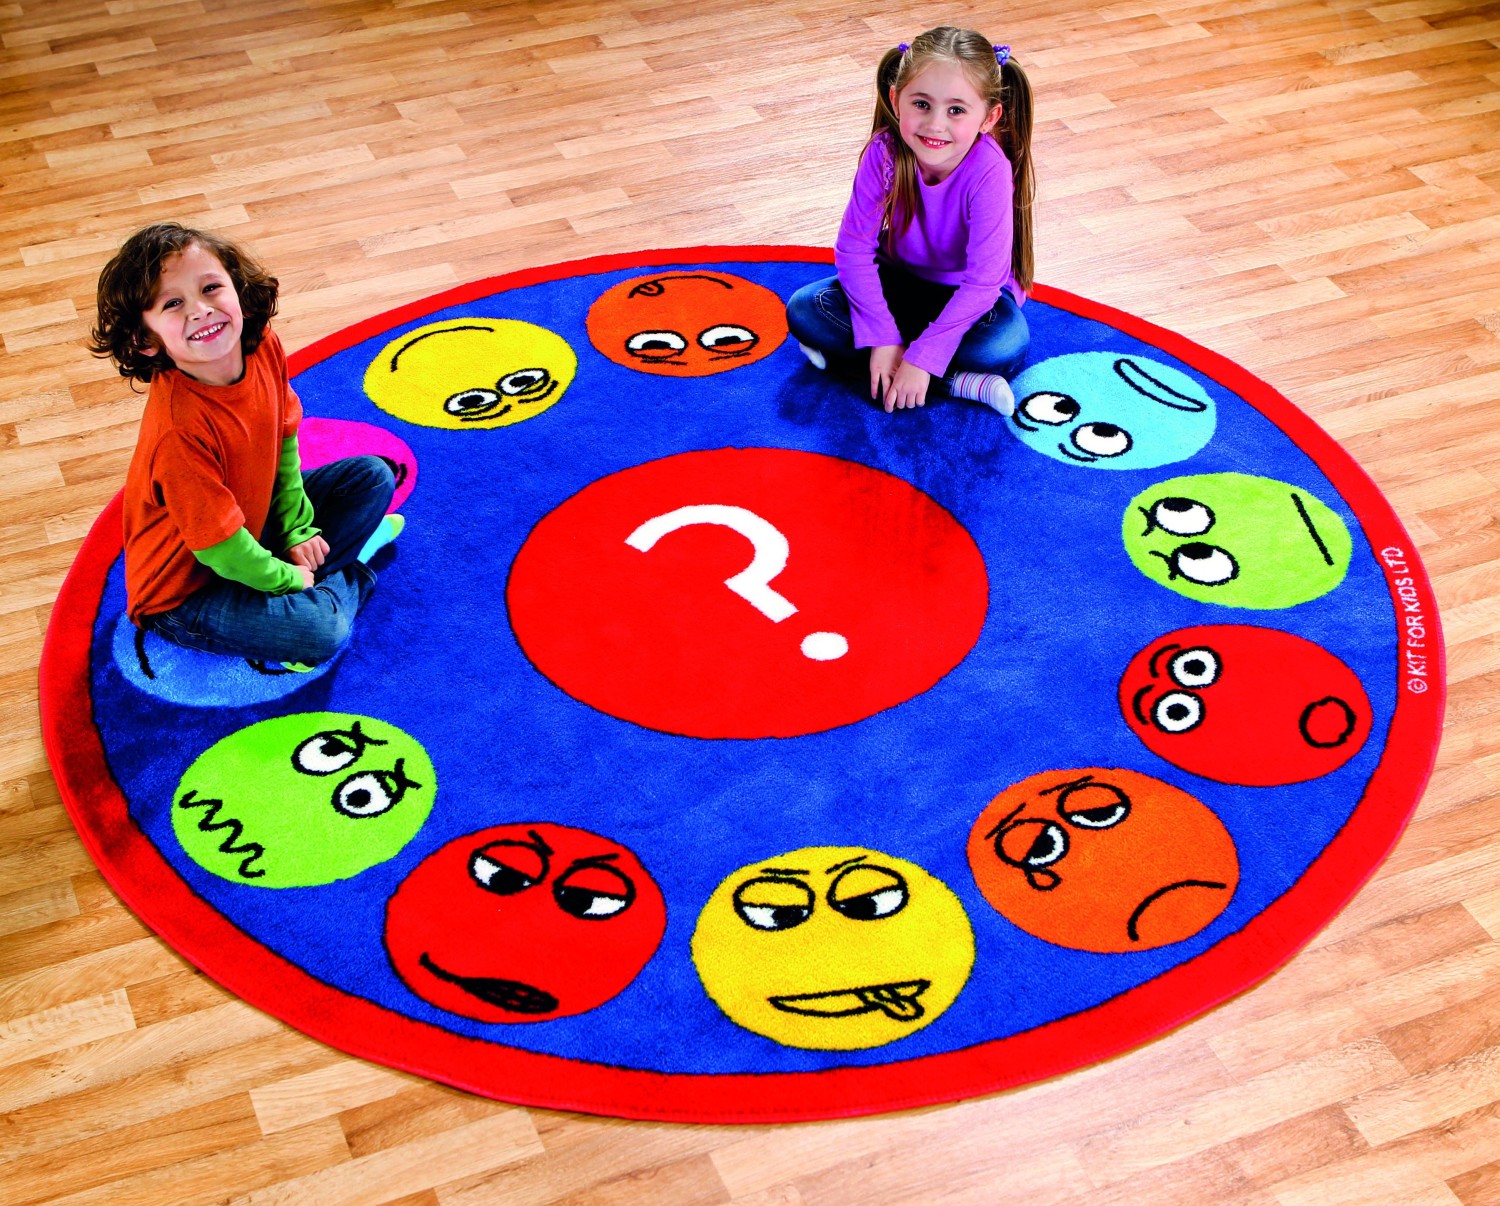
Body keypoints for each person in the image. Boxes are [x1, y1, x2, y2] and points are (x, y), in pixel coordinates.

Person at [90, 222, 403, 669]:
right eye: (173, 303)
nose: (200, 310)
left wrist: (297, 529)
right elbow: (219, 550)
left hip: (250, 526)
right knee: (320, 633)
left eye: (211, 288)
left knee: (371, 477)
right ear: (144, 339)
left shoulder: (262, 346)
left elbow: (284, 438)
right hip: (186, 591)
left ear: (237, 289)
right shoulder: (178, 432)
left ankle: (321, 578)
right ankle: (351, 571)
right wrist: (286, 581)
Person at [786, 25, 1035, 415]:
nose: (935, 125)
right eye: (921, 104)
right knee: (807, 308)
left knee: (1003, 344)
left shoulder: (989, 170)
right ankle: (953, 382)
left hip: (968, 299)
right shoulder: (884, 153)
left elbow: (984, 282)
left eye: (956, 110)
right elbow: (853, 251)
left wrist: (925, 355)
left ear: (989, 117)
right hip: (899, 283)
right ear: (896, 99)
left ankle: (865, 364)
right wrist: (883, 336)